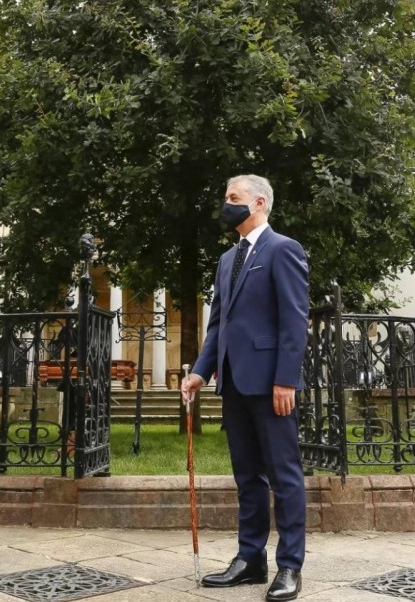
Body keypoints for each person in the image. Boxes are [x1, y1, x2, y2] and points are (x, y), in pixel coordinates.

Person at [182, 174, 310, 602]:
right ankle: (250, 559)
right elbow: (219, 323)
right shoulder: (226, 259)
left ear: (258, 203)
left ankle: (289, 565)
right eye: (225, 198)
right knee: (247, 477)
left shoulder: (283, 250)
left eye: (233, 198)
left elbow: (294, 321)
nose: (226, 204)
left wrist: (286, 379)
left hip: (271, 384)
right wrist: (201, 371)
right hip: (233, 382)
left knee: (284, 476)